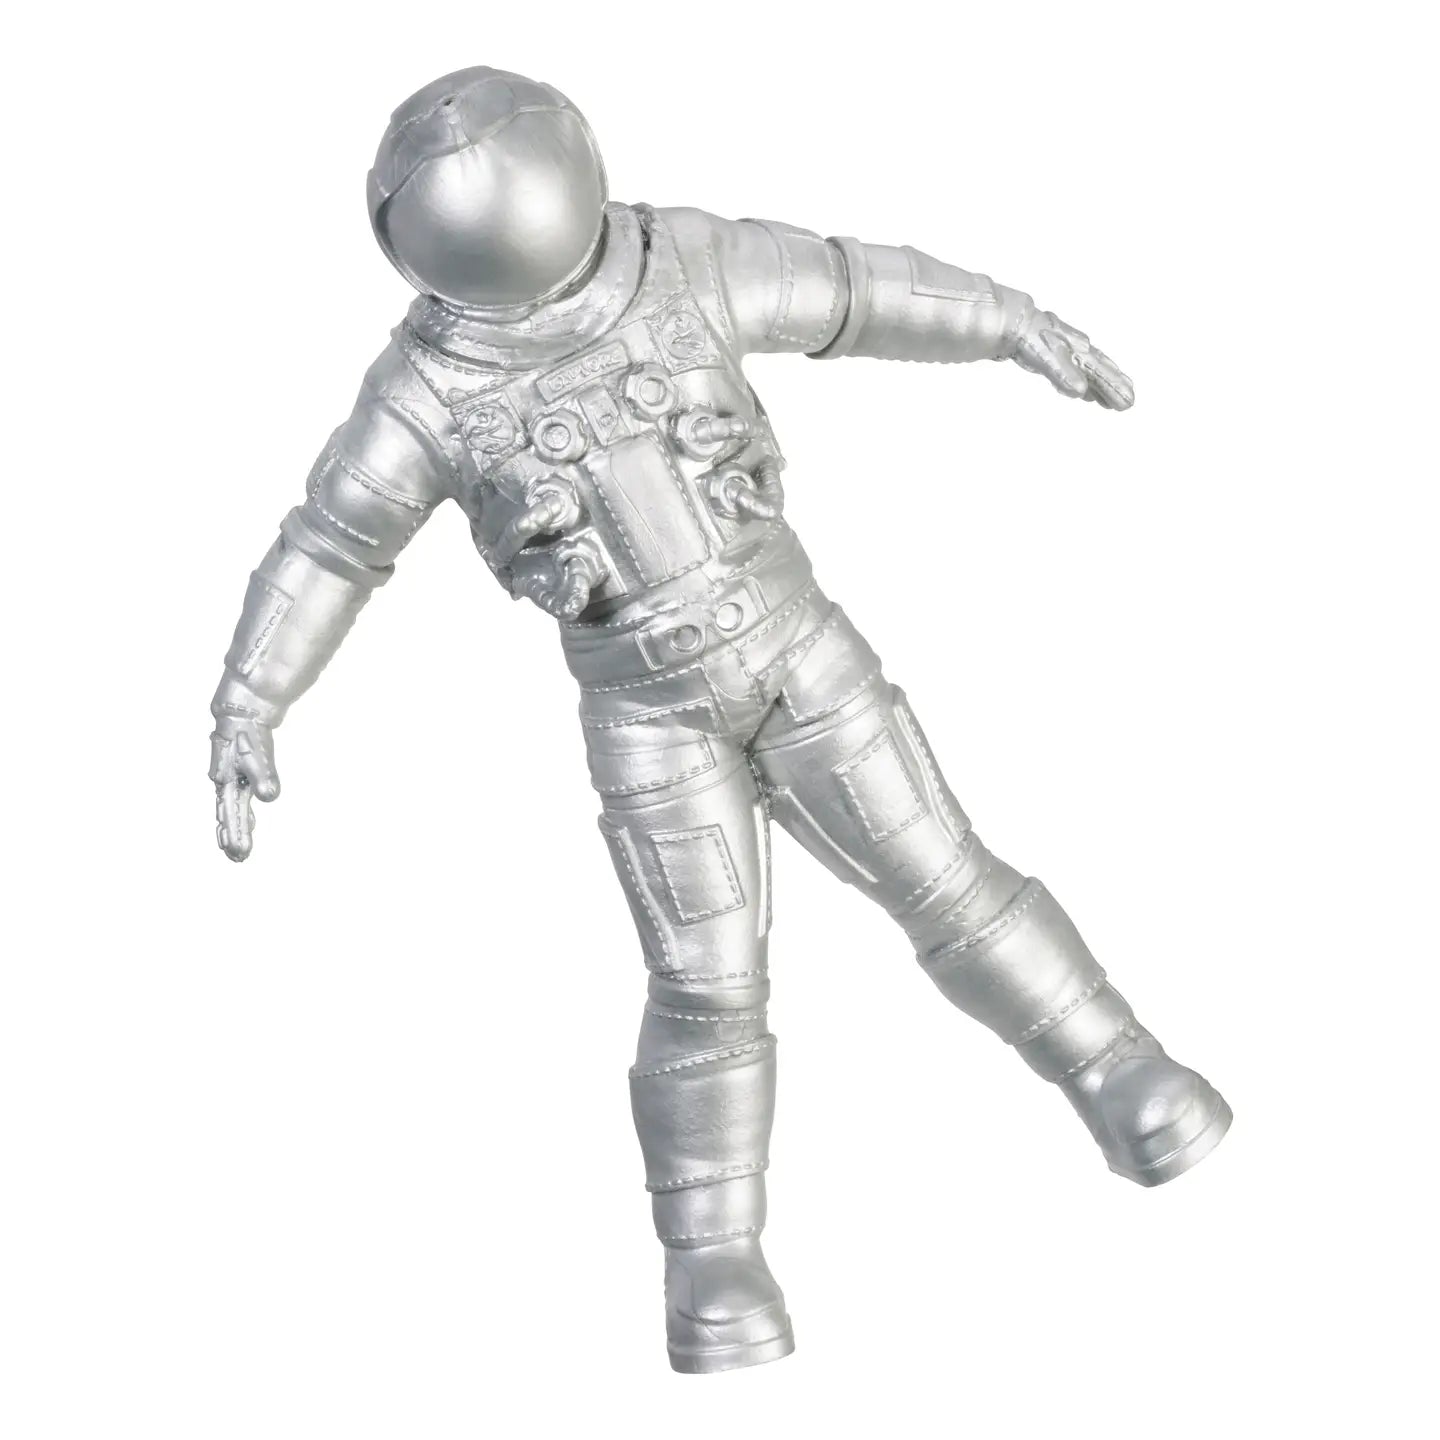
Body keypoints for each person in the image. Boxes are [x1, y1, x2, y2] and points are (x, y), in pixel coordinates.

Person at [209, 66, 1230, 1373]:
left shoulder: (680, 264)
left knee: (946, 879)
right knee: (708, 983)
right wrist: (251, 697)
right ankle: (714, 1258)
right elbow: (333, 543)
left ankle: (1116, 1069)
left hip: (795, 649)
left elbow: (855, 291)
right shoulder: (425, 392)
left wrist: (1007, 322)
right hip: (648, 717)